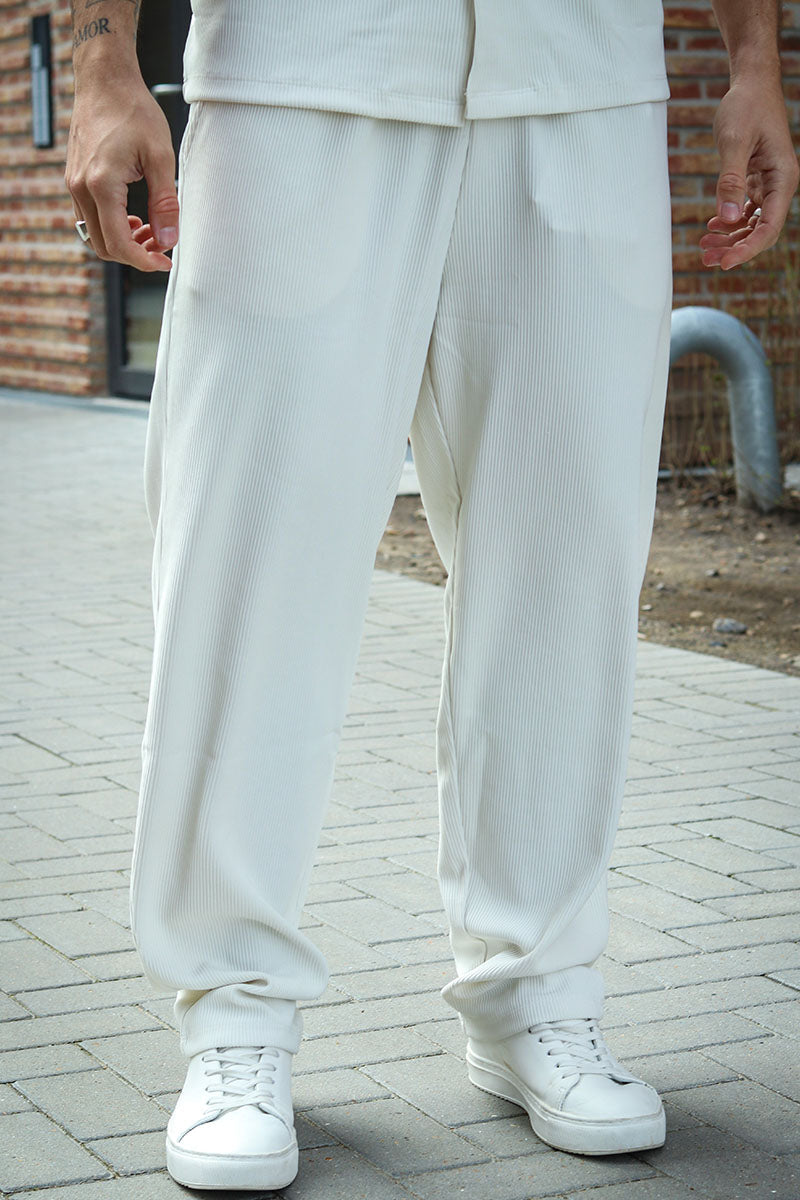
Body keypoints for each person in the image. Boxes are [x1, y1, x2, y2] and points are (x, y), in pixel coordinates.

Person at [66, 0, 798, 1191]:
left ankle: (535, 992)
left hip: (580, 80)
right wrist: (100, 59)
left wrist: (751, 62)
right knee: (249, 571)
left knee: (567, 573)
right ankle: (235, 1010)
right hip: (302, 73)